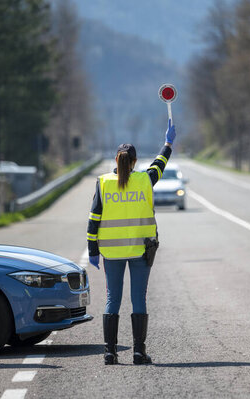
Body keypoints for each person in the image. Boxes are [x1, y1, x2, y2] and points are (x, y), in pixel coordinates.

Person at [87, 119, 176, 365]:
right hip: (140, 251)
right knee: (139, 299)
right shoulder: (145, 179)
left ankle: (109, 353)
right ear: (134, 162)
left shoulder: (103, 183)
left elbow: (93, 219)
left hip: (111, 253)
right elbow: (160, 163)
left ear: (116, 160)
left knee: (111, 299)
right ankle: (138, 352)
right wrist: (167, 143)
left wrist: (92, 250)